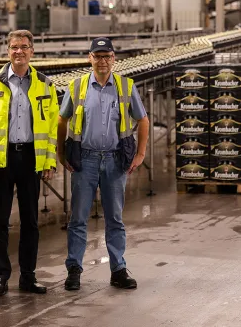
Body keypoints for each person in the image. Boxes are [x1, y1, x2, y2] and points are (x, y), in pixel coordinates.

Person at [57, 37, 149, 291]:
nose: (102, 61)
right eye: (97, 56)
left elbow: (143, 120)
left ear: (114, 58)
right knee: (78, 219)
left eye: (107, 56)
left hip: (114, 160)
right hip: (84, 160)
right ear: (90, 59)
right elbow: (61, 121)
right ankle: (74, 269)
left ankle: (118, 269)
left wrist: (140, 153)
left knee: (115, 219)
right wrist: (61, 152)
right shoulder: (75, 87)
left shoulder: (126, 86)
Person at [0, 30, 59, 296]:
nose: (19, 52)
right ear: (7, 51)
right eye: (14, 47)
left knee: (31, 221)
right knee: (0, 220)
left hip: (31, 159)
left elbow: (51, 129)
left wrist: (49, 162)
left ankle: (28, 276)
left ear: (32, 51)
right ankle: (1, 276)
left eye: (24, 47)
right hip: (2, 159)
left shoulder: (45, 84)